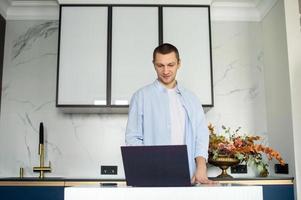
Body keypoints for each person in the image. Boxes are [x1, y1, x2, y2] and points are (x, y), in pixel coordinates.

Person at [125, 43, 213, 184]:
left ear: (179, 64)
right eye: (160, 65)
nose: (166, 71)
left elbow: (201, 136)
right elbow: (133, 138)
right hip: (151, 178)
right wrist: (146, 169)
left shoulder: (192, 99)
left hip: (188, 178)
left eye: (170, 65)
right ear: (154, 65)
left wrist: (201, 167)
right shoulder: (140, 97)